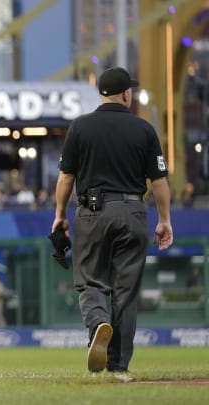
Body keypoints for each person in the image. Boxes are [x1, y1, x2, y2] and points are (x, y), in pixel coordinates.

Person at [51, 67, 173, 377]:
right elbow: (158, 181)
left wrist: (60, 215)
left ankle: (97, 324)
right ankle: (119, 365)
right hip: (133, 211)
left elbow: (66, 177)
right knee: (126, 291)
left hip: (92, 212)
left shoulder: (80, 126)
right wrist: (165, 220)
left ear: (100, 94)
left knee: (91, 281)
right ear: (127, 94)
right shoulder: (143, 129)